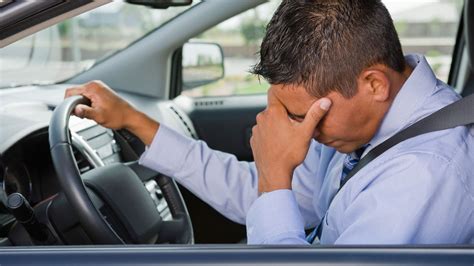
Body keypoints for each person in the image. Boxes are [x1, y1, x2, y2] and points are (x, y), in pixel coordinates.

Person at [65, 0, 474, 244]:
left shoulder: (425, 174)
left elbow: (275, 196)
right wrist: (136, 122)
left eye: (299, 115)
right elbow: (271, 201)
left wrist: (275, 177)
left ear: (373, 84)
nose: (297, 131)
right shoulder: (362, 128)